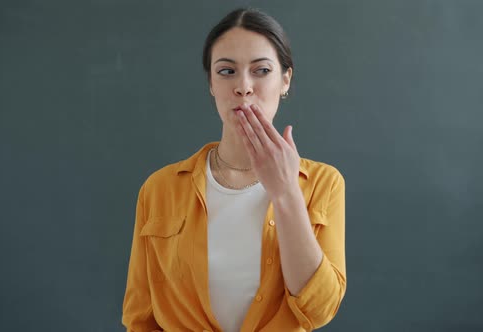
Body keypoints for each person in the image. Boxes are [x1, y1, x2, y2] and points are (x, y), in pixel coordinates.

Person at [122, 7, 346, 332]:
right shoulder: (159, 189)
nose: (243, 87)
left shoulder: (324, 183)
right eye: (227, 71)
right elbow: (140, 319)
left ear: (285, 80)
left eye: (261, 70)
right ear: (211, 84)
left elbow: (319, 308)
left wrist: (286, 193)